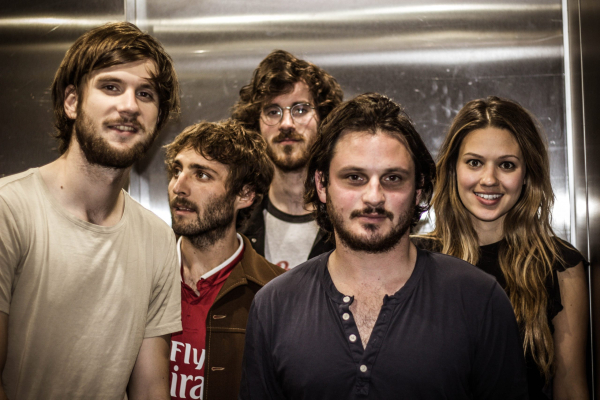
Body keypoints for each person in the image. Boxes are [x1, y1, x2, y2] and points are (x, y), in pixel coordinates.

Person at [239, 93, 529, 399]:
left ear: (418, 189)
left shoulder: (479, 299)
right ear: (322, 185)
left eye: (392, 178)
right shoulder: (274, 305)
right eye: (354, 177)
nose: (374, 197)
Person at [0, 22, 181, 400]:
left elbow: (151, 388)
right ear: (72, 102)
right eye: (111, 86)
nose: (129, 106)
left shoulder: (158, 238)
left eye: (145, 94)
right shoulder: (9, 210)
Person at [413, 96, 589, 399]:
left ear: (527, 174)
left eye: (507, 165)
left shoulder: (561, 264)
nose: (489, 179)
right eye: (474, 162)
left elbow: (571, 388)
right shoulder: (414, 257)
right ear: (453, 169)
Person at [165, 120, 283, 400]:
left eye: (202, 175)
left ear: (245, 194)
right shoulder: (142, 273)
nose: (179, 186)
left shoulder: (277, 294)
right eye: (177, 170)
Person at [232, 50, 343, 270]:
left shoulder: (348, 221)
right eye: (273, 112)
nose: (286, 124)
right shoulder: (234, 223)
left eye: (300, 110)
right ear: (256, 125)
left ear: (323, 120)